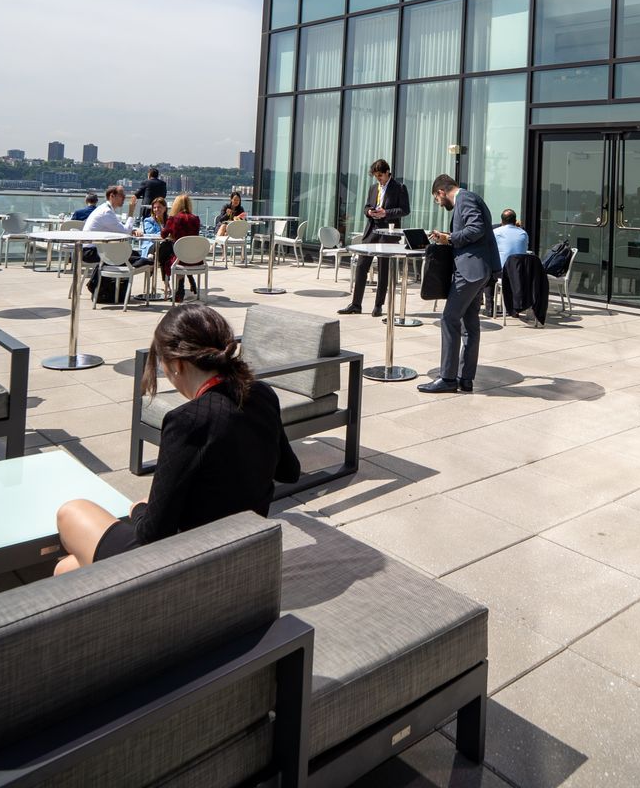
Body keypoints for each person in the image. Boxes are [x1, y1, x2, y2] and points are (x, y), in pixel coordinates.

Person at [52, 305, 299, 570]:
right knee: (69, 567)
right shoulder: (262, 394)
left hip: (190, 559)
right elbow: (289, 471)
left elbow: (152, 534)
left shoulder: (188, 420)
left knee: (71, 512)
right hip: (241, 549)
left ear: (178, 365)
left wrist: (138, 510)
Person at [419, 175, 499, 395]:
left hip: (470, 271)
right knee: (470, 325)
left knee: (449, 319)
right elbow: (477, 230)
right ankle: (466, 379)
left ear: (441, 192)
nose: (439, 203)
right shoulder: (470, 198)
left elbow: (476, 229)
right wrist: (448, 237)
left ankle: (447, 378)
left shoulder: (464, 199)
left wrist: (450, 238)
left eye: (437, 199)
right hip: (479, 271)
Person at [340, 159, 409, 317]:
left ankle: (378, 305)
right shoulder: (373, 188)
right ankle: (356, 304)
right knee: (362, 266)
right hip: (372, 231)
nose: (378, 179)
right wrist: (369, 212)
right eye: (376, 176)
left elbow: (405, 210)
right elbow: (366, 206)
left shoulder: (399, 188)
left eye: (380, 176)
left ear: (387, 172)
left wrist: (386, 213)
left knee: (384, 270)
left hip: (389, 233)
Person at [159, 194, 203, 303]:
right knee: (181, 255)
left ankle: (179, 289)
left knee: (166, 256)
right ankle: (189, 278)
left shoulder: (173, 219)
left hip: (180, 258)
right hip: (196, 259)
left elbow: (163, 235)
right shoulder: (196, 219)